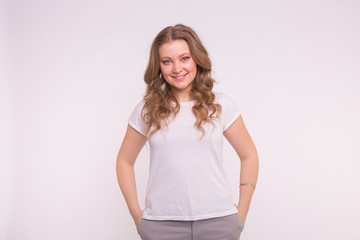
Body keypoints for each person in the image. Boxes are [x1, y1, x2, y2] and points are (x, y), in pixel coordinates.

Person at [116, 24, 259, 240]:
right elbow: (124, 162)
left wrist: (243, 211)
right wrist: (137, 215)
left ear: (196, 59)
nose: (177, 68)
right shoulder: (147, 111)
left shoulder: (220, 105)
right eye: (167, 61)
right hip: (162, 225)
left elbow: (249, 155)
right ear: (159, 66)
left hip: (218, 222)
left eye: (184, 58)